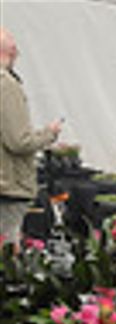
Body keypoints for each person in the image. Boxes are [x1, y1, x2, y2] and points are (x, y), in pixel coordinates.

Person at [0, 27, 61, 246]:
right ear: (12, 50)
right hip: (9, 186)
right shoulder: (6, 84)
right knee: (7, 254)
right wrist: (49, 134)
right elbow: (19, 141)